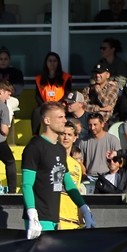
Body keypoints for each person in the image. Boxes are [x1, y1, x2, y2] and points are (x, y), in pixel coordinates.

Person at [21, 102, 94, 239]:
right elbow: (26, 184)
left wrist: (84, 208)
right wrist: (32, 214)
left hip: (54, 217)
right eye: (60, 117)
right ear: (47, 120)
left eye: (64, 117)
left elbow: (69, 184)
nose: (65, 120)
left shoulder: (60, 149)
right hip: (40, 217)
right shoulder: (34, 147)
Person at [57, 121, 87, 229]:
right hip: (58, 219)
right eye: (63, 134)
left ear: (75, 138)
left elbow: (76, 191)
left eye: (69, 135)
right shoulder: (52, 160)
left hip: (73, 221)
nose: (66, 137)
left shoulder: (77, 166)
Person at [79, 112, 122, 181]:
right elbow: (80, 161)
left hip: (108, 176)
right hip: (90, 177)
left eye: (95, 125)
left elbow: (120, 160)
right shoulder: (84, 141)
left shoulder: (113, 140)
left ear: (102, 124)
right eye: (90, 125)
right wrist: (84, 174)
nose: (92, 128)